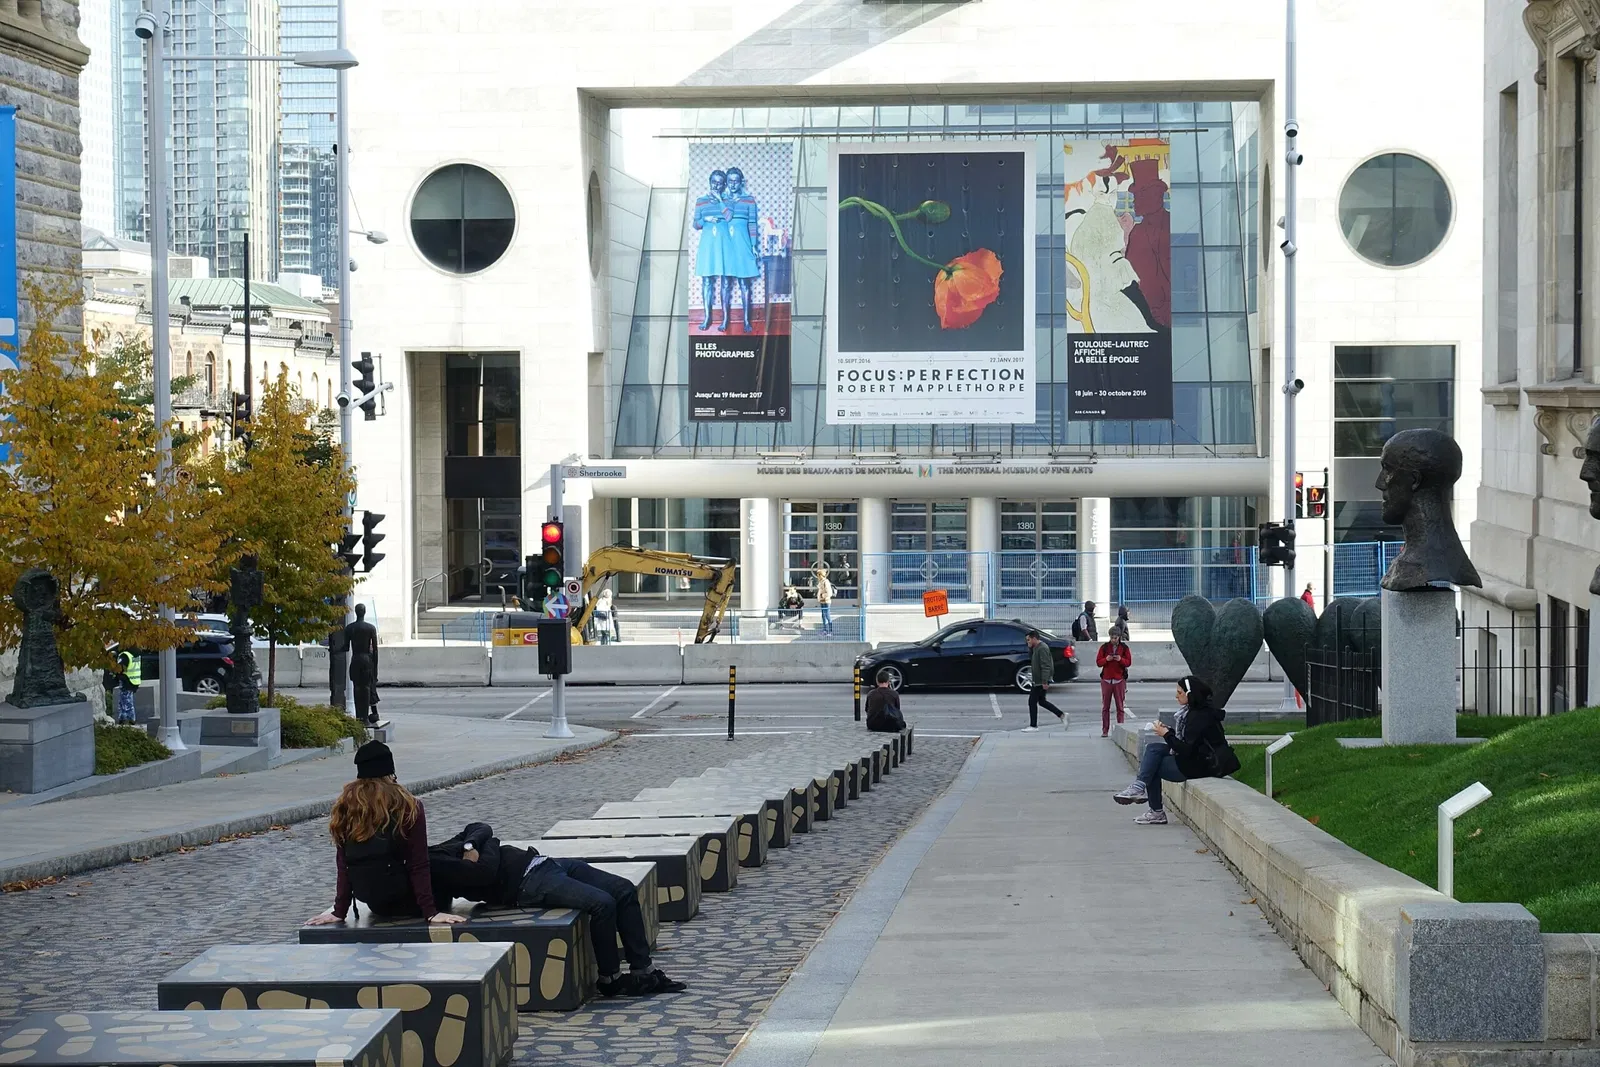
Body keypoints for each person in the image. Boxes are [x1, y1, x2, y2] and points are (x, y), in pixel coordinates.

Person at [428, 821, 686, 998]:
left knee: (624, 888)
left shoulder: (445, 847)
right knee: (602, 903)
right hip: (529, 884)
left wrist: (470, 846)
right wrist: (487, 846)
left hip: (547, 863)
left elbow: (481, 828)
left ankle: (644, 971)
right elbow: (484, 870)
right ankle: (611, 979)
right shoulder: (437, 865)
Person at [305, 741, 466, 926]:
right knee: (448, 857)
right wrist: (430, 912)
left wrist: (339, 911)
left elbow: (344, 864)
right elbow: (418, 863)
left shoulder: (346, 806)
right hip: (414, 901)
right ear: (390, 772)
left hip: (378, 904)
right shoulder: (407, 805)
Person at [1112, 675, 1230, 825]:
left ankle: (1153, 807)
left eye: (1180, 692)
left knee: (1152, 766)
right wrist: (1169, 732)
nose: (1176, 696)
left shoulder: (1198, 717)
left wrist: (1166, 735)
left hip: (1203, 765)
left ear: (1190, 694)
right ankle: (1142, 792)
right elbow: (1189, 742)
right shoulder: (1196, 712)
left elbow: (1187, 750)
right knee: (1153, 749)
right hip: (1199, 759)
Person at [1022, 631, 1067, 732]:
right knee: (1041, 701)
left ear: (1034, 638)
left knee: (1032, 701)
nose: (1027, 642)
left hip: (1040, 681)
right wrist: (1030, 648)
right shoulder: (1036, 648)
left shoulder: (1042, 648)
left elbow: (1046, 665)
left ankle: (1033, 726)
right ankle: (1062, 715)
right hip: (1038, 680)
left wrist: (1045, 681)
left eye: (1028, 640)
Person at [344, 604, 381, 726]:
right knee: (366, 688)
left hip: (356, 659)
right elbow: (375, 650)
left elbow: (345, 647)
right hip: (366, 660)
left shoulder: (350, 628)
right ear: (364, 612)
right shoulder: (370, 628)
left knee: (356, 688)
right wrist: (375, 667)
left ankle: (359, 718)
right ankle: (365, 718)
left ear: (355, 612)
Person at [1096, 633, 1132, 737]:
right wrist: (1106, 660)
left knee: (1120, 707)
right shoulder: (1104, 647)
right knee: (1105, 707)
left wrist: (1120, 659)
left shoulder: (1124, 648)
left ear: (1119, 637)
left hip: (1119, 680)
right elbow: (1098, 662)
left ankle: (1120, 730)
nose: (1113, 640)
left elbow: (1128, 662)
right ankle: (1105, 730)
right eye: (1111, 637)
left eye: (1115, 638)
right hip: (1106, 680)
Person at [103, 645, 140, 725]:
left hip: (126, 680)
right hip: (134, 680)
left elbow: (120, 668)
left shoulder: (125, 655)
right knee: (127, 700)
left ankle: (128, 719)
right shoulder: (135, 653)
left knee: (125, 700)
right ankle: (125, 718)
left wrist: (115, 673)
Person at [864, 669, 905, 733]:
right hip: (891, 724)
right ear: (888, 682)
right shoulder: (894, 694)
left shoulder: (871, 693)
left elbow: (867, 709)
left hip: (873, 724)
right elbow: (897, 709)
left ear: (877, 681)